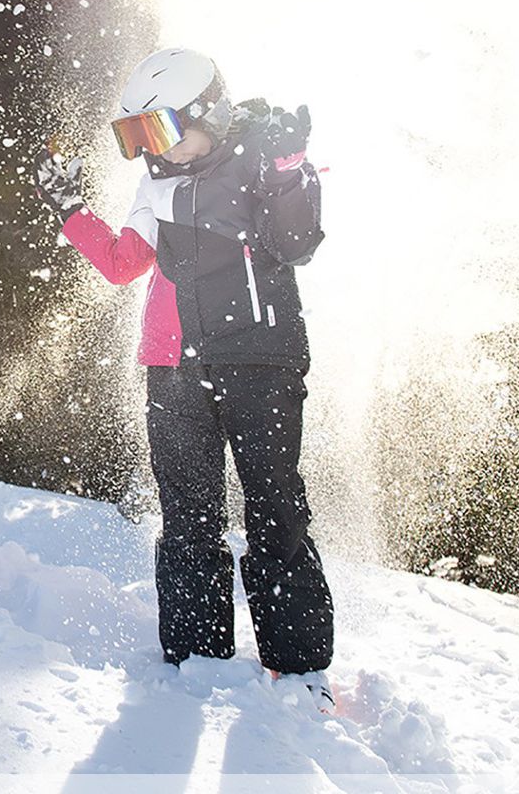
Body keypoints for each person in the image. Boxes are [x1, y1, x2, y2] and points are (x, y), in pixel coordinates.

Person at [32, 47, 335, 708]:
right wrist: (70, 212)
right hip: (172, 368)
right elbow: (121, 264)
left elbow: (296, 243)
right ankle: (197, 659)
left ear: (211, 112)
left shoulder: (264, 157)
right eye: (138, 139)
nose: (154, 152)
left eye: (162, 131)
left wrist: (288, 169)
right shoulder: (156, 183)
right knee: (189, 516)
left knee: (274, 508)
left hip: (258, 361)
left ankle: (298, 666)